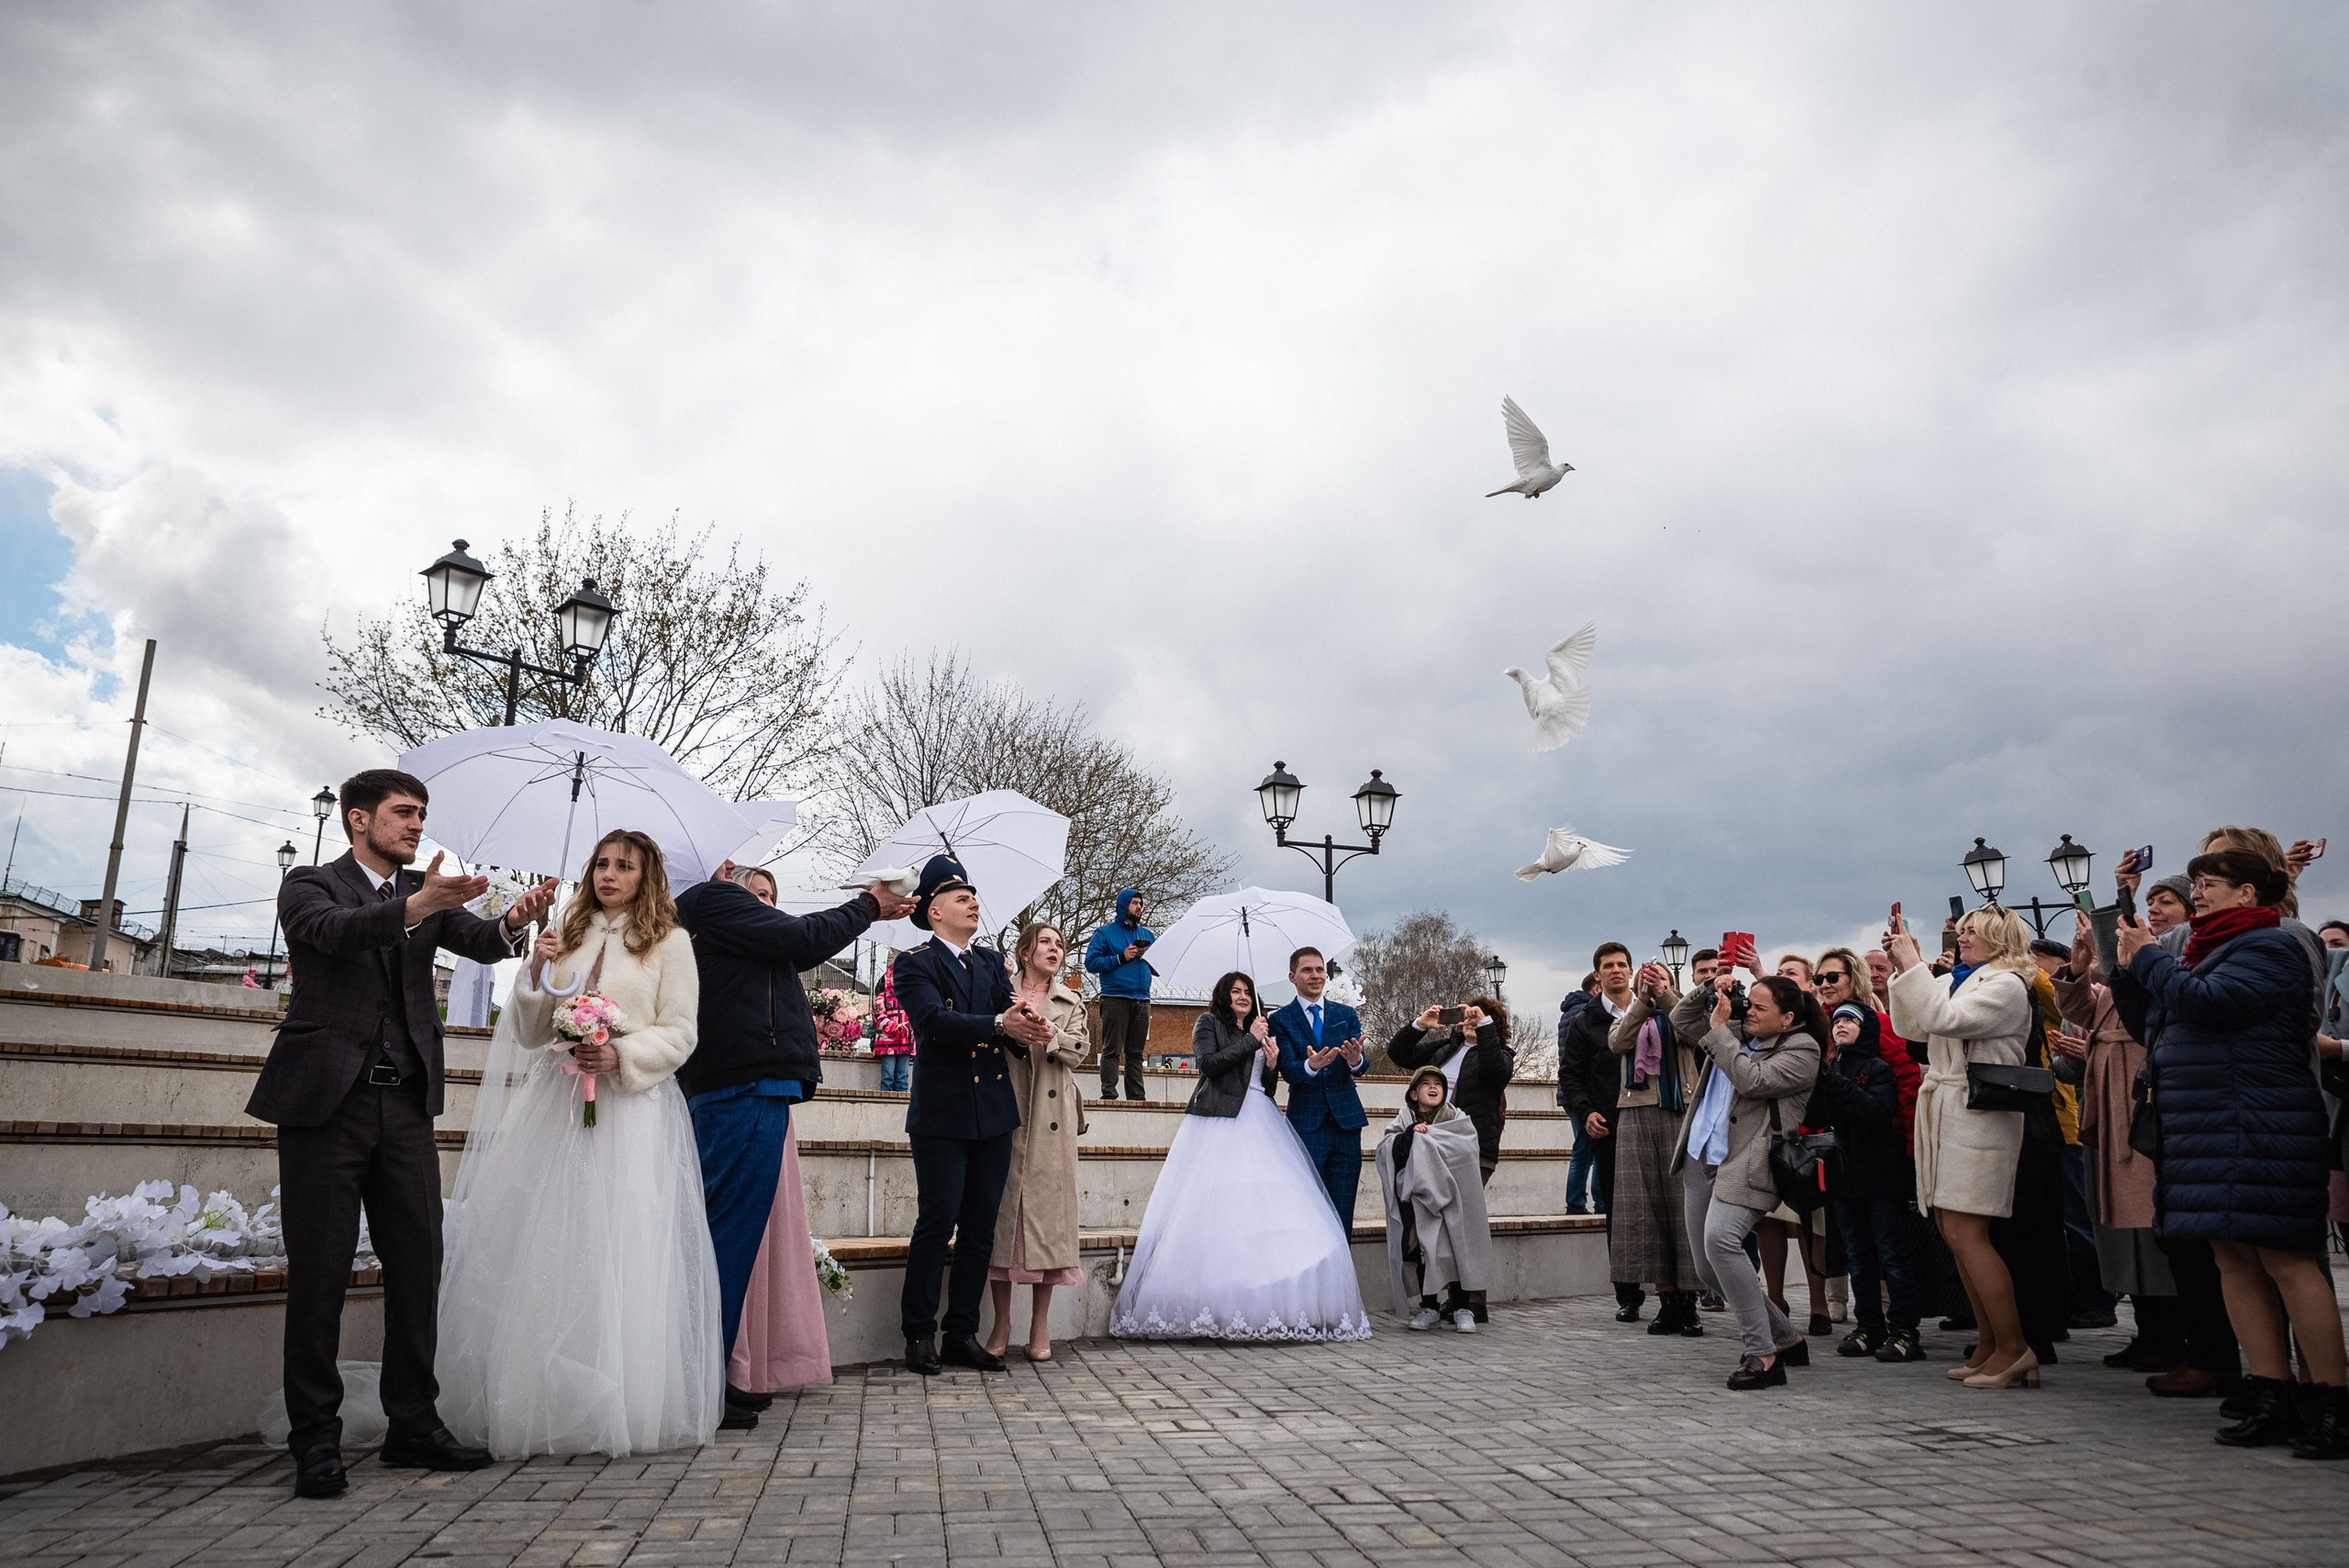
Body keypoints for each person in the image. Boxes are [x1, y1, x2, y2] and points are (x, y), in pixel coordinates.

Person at [250, 768, 555, 1498]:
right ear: (358, 819)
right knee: (319, 1278)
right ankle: (315, 1440)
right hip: (327, 1105)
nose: (416, 824)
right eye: (402, 812)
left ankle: (413, 1424)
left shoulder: (426, 890)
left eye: (421, 814)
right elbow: (332, 935)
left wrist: (519, 917)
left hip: (406, 1107)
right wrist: (417, 903)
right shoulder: (310, 883)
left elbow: (482, 942)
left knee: (420, 1269)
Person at [438, 828, 716, 1457]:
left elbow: (681, 1030)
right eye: (601, 863)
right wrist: (536, 969)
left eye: (624, 866)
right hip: (554, 1106)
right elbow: (532, 1030)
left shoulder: (671, 943)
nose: (609, 874)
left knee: (618, 1241)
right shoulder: (568, 932)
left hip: (629, 1111)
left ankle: (619, 1399)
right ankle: (538, 1393)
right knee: (549, 1240)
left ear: (647, 877)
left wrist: (619, 1051)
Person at [2117, 849, 2347, 1456]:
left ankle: (2330, 1400)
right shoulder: (2194, 951)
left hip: (2260, 1120)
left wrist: (2147, 956)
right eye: (2195, 882)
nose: (2197, 891)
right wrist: (2124, 968)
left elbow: (2208, 1004)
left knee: (2287, 1260)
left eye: (2210, 883)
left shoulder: (2272, 947)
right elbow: (2153, 1025)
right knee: (2232, 1257)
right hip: (2203, 1125)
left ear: (2249, 893)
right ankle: (2268, 1393)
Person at [674, 861, 914, 1413]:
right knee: (725, 1243)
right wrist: (871, 903)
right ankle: (701, 1384)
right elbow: (800, 934)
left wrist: (867, 912)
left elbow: (801, 946)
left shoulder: (739, 932)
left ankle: (713, 1374)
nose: (764, 905)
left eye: (771, 896)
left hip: (754, 1084)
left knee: (731, 1241)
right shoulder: (711, 899)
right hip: (742, 1085)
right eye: (754, 895)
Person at [1109, 972, 1371, 1341]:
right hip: (1219, 1120)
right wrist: (1250, 1041)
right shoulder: (1209, 1023)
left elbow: (1264, 1085)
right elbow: (1209, 1064)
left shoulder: (1262, 1029)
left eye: (1248, 991)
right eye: (1236, 991)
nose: (1243, 997)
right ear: (1223, 995)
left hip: (1261, 1117)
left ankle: (1273, 1303)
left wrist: (1274, 1062)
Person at [887, 854, 1052, 1374]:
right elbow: (934, 1022)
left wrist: (1029, 1028)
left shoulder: (988, 961)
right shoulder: (913, 962)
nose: (974, 904)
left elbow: (1007, 1016)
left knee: (981, 1227)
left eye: (974, 896)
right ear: (935, 911)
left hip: (993, 1113)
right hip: (943, 1112)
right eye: (962, 898)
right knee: (937, 1223)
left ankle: (961, 1332)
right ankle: (919, 1335)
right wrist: (1001, 1024)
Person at [1886, 906, 2044, 1389]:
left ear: (2000, 938)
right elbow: (1913, 1027)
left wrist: (1914, 965)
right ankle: (1990, 1343)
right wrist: (1903, 971)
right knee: (1953, 1231)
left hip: (1980, 1116)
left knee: (1968, 1232)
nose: (1963, 937)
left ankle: (2016, 1347)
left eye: (1974, 932)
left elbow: (1943, 1019)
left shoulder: (2008, 985)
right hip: (1953, 1108)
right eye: (1964, 930)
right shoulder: (1969, 979)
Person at [1667, 973, 1824, 1390]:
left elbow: (1752, 1080)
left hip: (1748, 1162)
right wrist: (1707, 990)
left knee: (1721, 1241)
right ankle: (1786, 1338)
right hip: (1702, 1153)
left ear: (1788, 1018)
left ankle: (1764, 1355)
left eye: (1759, 1007)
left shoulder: (1802, 1049)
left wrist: (1721, 1031)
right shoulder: (1736, 1030)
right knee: (1706, 1267)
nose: (1747, 1011)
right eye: (1747, 1004)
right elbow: (1681, 1020)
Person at [2050, 911, 2181, 1374]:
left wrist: (2096, 1051)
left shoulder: (2162, 970)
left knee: (2148, 1227)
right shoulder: (2115, 985)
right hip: (2109, 1111)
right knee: (2122, 1230)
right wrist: (2079, 966)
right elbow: (2081, 1009)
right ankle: (2148, 1333)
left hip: (2138, 1108)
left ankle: (2170, 1336)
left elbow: (2139, 1018)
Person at [984, 922, 1090, 1363]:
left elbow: (1081, 1051)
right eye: (1045, 942)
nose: (1055, 949)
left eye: (1060, 944)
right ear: (1026, 951)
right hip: (1004, 1115)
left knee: (1049, 1224)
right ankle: (1002, 1323)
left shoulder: (1070, 1001)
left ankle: (1039, 1325)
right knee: (1000, 1225)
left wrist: (1053, 1035)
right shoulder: (996, 990)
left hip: (1051, 1121)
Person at [1386, 995, 1515, 1321]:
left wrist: (1483, 1027)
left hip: (1470, 1151)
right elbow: (1399, 1054)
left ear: (1492, 1024)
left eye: (1481, 1017)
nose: (1471, 1019)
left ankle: (1472, 1302)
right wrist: (1420, 1026)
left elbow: (1494, 1072)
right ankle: (1454, 1299)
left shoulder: (1500, 1054)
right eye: (1468, 1015)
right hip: (1431, 1149)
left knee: (1462, 1219)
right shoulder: (1445, 1050)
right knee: (1436, 1219)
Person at [1809, 995, 1918, 1362]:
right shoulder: (1827, 1069)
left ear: (1866, 1029)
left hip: (1879, 1177)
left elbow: (1877, 1111)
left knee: (1890, 1254)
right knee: (1857, 1255)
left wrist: (1833, 1082)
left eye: (1850, 1021)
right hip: (1844, 1179)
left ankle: (1904, 1330)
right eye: (1836, 1021)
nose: (1840, 1025)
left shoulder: (1877, 1069)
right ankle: (1869, 1325)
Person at [1604, 958, 1706, 1338]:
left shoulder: (1683, 1010)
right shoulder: (1632, 1013)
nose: (1654, 984)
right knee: (1647, 1210)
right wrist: (1643, 1002)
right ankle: (1666, 1301)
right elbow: (1618, 1042)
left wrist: (1664, 997)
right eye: (1647, 979)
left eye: (1660, 978)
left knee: (1683, 1208)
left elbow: (1696, 1033)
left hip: (1679, 1110)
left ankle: (1690, 1304)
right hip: (1636, 1111)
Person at [2030, 936, 2118, 1329]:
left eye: (2040, 959)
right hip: (2037, 1118)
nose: (2032, 964)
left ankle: (2097, 1300)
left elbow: (2059, 997)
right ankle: (2065, 1298)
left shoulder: (2057, 992)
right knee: (2053, 1218)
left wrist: (2029, 967)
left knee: (2077, 1216)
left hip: (2065, 1117)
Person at [1560, 944, 1649, 1319]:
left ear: (1630, 970)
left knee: (1664, 1206)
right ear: (1597, 975)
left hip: (1654, 1119)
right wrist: (1587, 1112)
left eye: (1622, 965)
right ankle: (1628, 1294)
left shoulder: (1652, 1013)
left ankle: (1679, 1294)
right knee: (1618, 1211)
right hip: (1610, 1125)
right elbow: (1571, 1076)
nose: (1616, 971)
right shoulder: (1585, 1021)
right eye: (1608, 966)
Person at [1376, 1066, 1492, 1331]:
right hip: (1417, 1200)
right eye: (1425, 1083)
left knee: (1455, 1248)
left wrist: (1431, 1144)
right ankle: (1429, 1307)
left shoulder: (1456, 1118)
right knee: (1422, 1251)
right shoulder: (1403, 1119)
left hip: (1453, 1199)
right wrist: (1411, 1137)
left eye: (1438, 1084)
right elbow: (1387, 1150)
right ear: (1414, 1093)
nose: (1432, 1087)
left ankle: (1463, 1307)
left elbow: (1466, 1149)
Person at [1269, 947, 1372, 1230]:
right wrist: (1310, 1066)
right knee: (1306, 1209)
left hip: (1346, 1125)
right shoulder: (1280, 1019)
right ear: (1292, 976)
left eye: (1319, 970)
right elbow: (1288, 1068)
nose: (1315, 976)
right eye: (1307, 970)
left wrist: (1355, 1060)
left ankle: (1341, 1274)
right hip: (1307, 1125)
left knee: (1342, 1211)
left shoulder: (1345, 1014)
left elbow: (1362, 1064)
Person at [1085, 890, 1154, 1100]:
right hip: (1116, 998)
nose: (1139, 907)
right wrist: (1120, 957)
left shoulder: (1148, 935)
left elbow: (1158, 965)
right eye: (1134, 903)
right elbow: (1091, 963)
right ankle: (1109, 1095)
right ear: (1124, 905)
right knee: (1112, 1050)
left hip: (1142, 998)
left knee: (1136, 1053)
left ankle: (1137, 1097)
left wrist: (1150, 957)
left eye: (1141, 903)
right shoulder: (1104, 933)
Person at [1559, 972, 1605, 1214]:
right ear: (1597, 989)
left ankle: (1577, 1202)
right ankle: (1597, 1202)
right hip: (1584, 1093)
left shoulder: (1568, 1012)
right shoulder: (1586, 1013)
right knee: (1592, 1149)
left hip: (1570, 1093)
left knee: (1583, 1148)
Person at [873, 962, 914, 1093]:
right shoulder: (882, 997)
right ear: (888, 977)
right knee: (887, 1075)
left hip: (905, 1042)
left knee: (902, 1076)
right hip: (886, 1043)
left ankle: (900, 1107)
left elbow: (916, 1015)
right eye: (894, 976)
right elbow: (877, 1016)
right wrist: (893, 1027)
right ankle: (884, 1104)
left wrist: (906, 1028)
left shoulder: (910, 998)